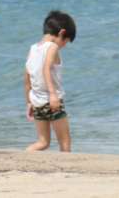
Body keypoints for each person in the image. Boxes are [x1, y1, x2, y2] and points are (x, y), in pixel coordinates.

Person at [24, 11, 76, 152]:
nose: (63, 45)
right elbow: (46, 69)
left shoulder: (33, 49)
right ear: (61, 33)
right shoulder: (52, 47)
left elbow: (27, 77)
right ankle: (65, 168)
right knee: (65, 141)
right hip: (52, 101)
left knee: (43, 142)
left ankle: (24, 157)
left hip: (36, 102)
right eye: (66, 41)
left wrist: (28, 102)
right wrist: (53, 95)